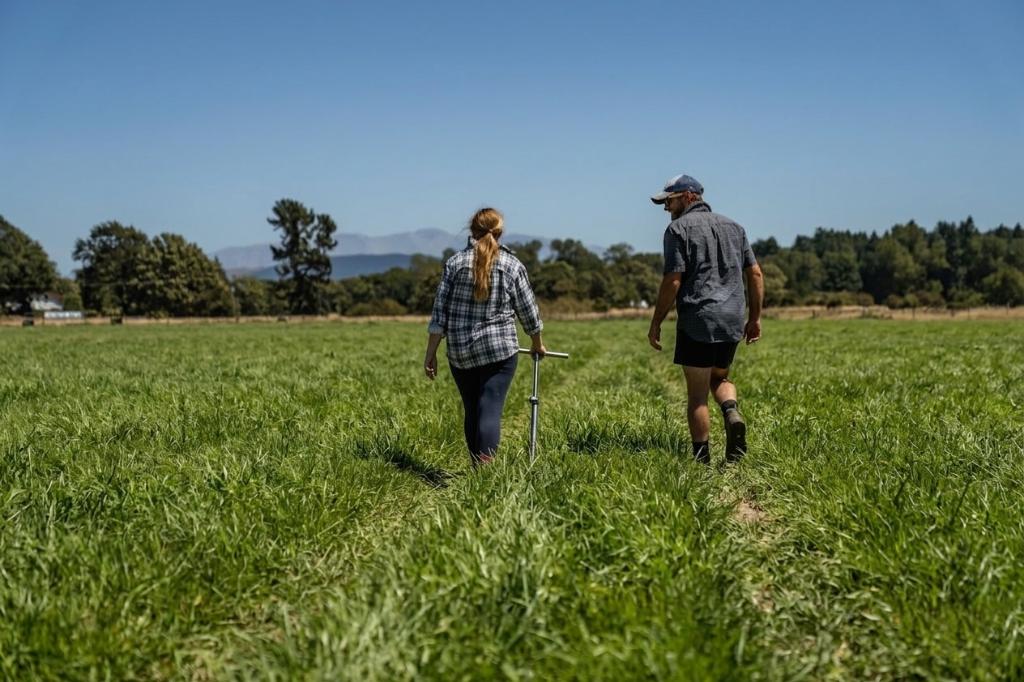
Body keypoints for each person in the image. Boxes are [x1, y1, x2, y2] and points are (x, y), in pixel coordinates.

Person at [647, 174, 764, 464]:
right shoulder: (735, 227)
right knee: (720, 377)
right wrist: (755, 318)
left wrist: (656, 321)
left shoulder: (678, 230)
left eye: (669, 201)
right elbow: (755, 274)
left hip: (698, 319)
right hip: (732, 319)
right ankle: (731, 410)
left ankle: (702, 462)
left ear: (688, 196)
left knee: (697, 395)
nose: (666, 209)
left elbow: (673, 280)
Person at [424, 207, 546, 466]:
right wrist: (537, 343)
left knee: (472, 409)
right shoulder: (512, 265)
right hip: (499, 350)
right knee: (489, 408)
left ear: (472, 231)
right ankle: (485, 470)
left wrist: (430, 354)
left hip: (461, 352)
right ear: (499, 232)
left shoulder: (454, 264)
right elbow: (528, 311)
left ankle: (477, 468)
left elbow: (439, 314)